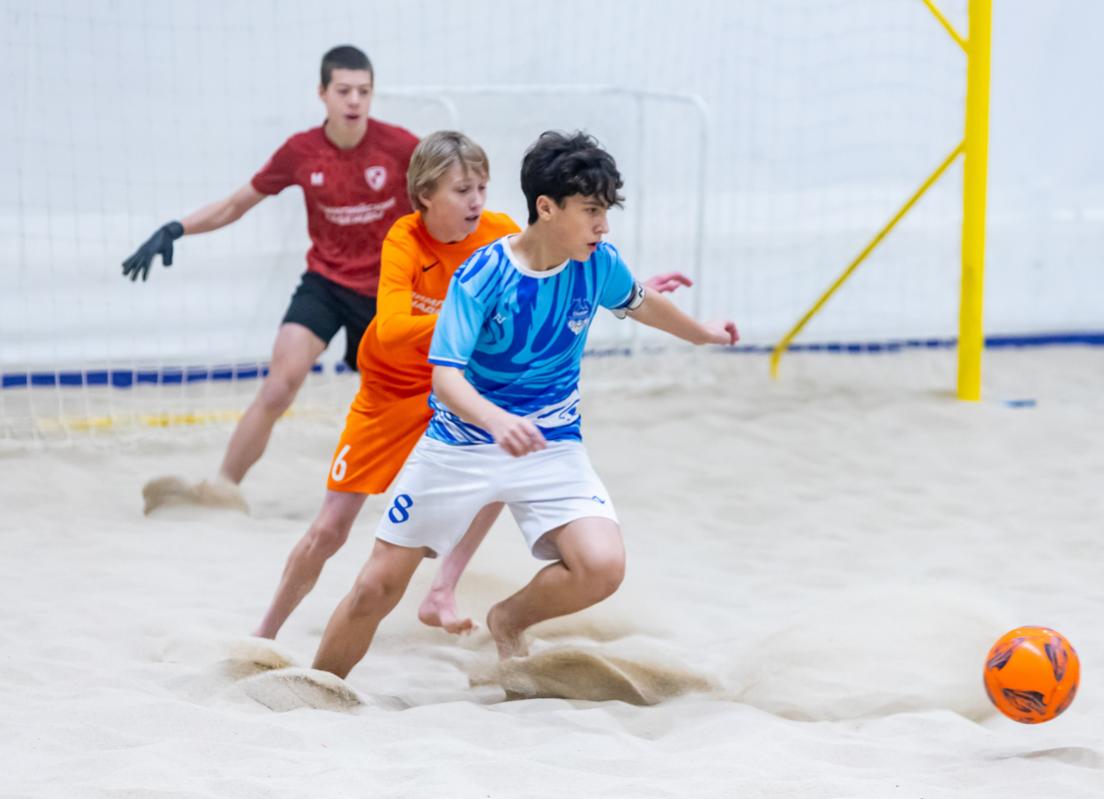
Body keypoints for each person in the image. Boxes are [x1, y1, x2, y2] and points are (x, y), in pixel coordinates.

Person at [310, 131, 737, 679]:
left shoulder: (598, 263)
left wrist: (702, 333)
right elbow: (446, 379)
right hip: (461, 444)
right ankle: (316, 690)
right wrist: (496, 419)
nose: (603, 226)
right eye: (591, 211)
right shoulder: (483, 274)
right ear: (547, 207)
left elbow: (640, 301)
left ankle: (508, 619)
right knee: (376, 587)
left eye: (605, 211)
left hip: (550, 444)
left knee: (602, 566)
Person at [124, 45, 419, 513]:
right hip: (325, 284)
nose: (354, 101)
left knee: (411, 401)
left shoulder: (401, 147)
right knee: (280, 384)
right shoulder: (300, 151)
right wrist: (176, 229)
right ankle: (222, 487)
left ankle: (432, 494)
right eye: (344, 90)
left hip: (388, 293)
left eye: (364, 91)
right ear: (322, 93)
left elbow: (449, 194)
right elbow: (234, 205)